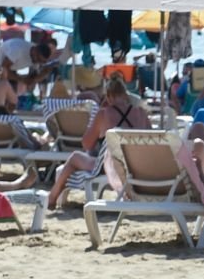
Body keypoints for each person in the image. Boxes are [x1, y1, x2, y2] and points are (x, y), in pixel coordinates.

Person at [46, 76, 150, 210]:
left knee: (74, 157)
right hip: (137, 165)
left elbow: (87, 144)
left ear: (108, 96)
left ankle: (52, 197)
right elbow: (149, 139)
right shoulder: (141, 113)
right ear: (125, 94)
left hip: (110, 165)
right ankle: (54, 196)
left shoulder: (104, 114)